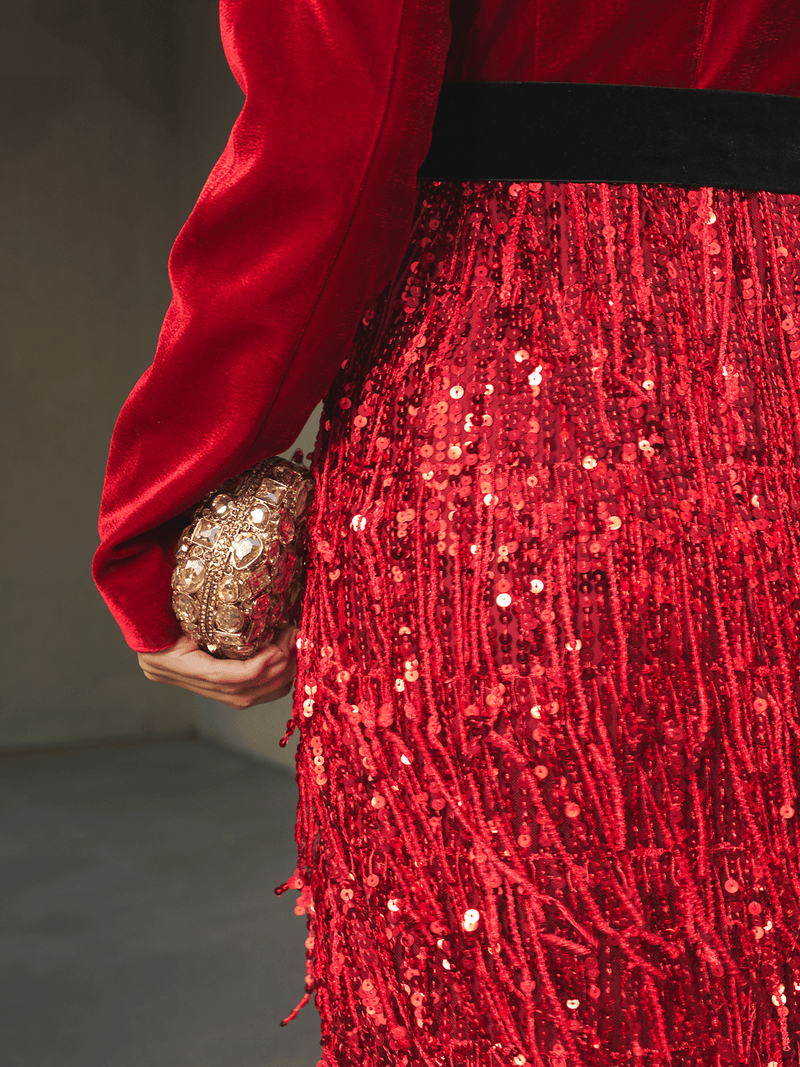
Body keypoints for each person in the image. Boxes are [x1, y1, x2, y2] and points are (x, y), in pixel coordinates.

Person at [93, 0, 800, 1063]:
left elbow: (335, 133)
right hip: (775, 356)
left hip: (511, 408)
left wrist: (157, 508)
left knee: (508, 976)